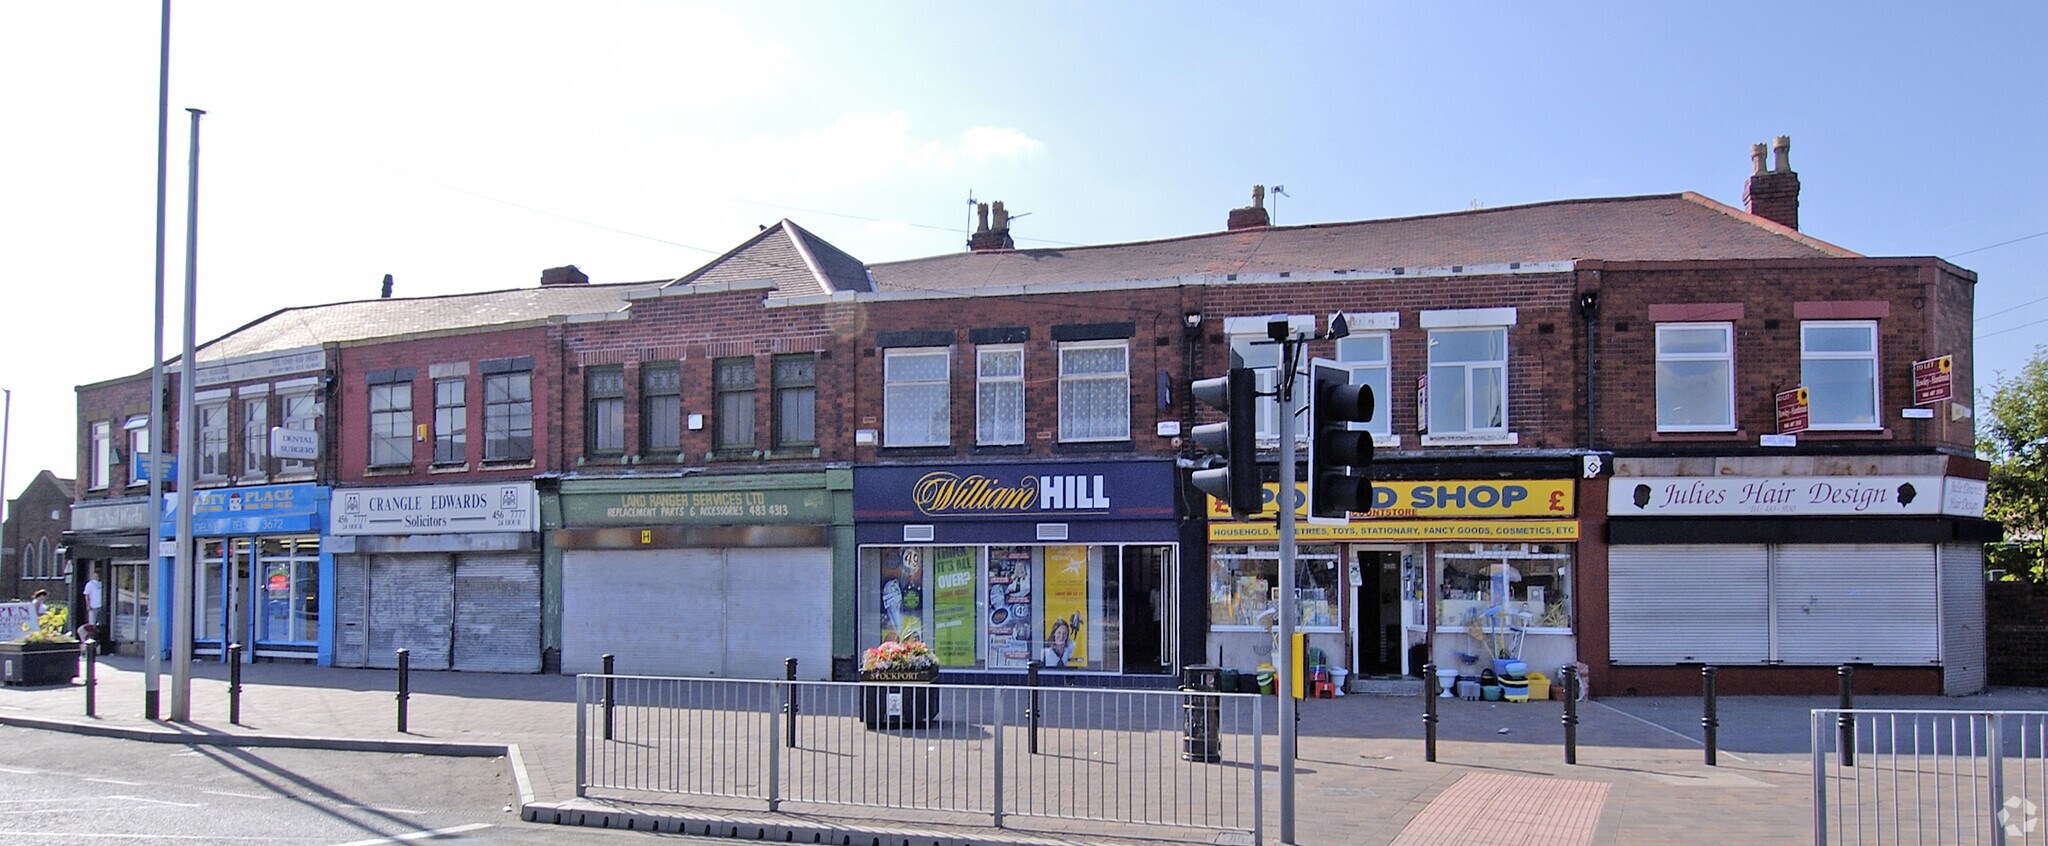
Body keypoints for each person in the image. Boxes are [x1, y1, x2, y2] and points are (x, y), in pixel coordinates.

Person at [78, 569, 103, 643]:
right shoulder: (90, 584)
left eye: (99, 574)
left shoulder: (102, 583)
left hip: (101, 606)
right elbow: (87, 595)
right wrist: (88, 605)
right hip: (93, 606)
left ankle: (98, 638)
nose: (98, 576)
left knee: (100, 624)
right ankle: (91, 638)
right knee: (92, 624)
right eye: (96, 574)